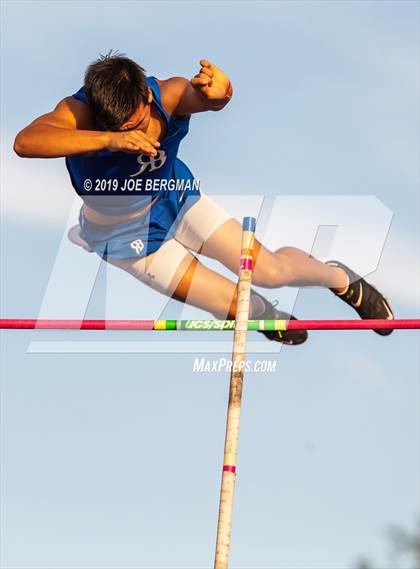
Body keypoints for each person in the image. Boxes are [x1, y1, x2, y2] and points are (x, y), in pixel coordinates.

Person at [13, 51, 394, 344]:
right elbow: (25, 142)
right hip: (128, 240)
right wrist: (109, 140)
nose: (135, 135)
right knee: (240, 306)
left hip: (176, 199)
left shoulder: (171, 93)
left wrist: (223, 93)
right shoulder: (77, 113)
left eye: (139, 124)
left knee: (270, 271)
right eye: (122, 129)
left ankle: (340, 278)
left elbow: (211, 99)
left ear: (147, 95)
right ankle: (266, 315)